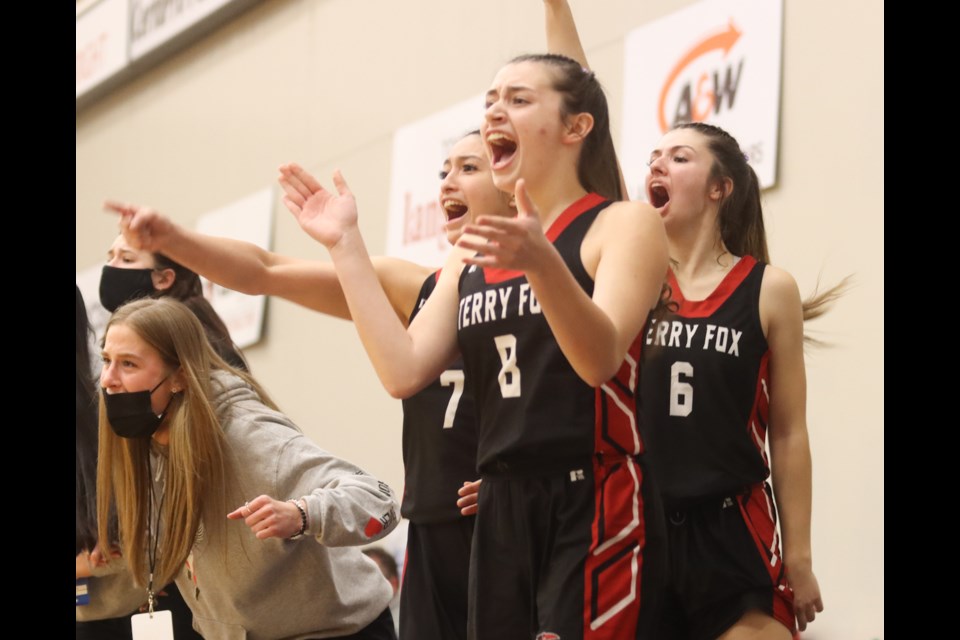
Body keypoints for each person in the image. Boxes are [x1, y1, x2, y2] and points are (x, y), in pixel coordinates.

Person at [279, 52, 668, 640]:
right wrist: (345, 246)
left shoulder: (623, 224)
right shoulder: (470, 254)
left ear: (575, 127)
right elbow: (402, 371)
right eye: (489, 101)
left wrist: (542, 264)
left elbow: (600, 360)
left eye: (517, 99)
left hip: (591, 495)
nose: (494, 113)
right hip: (500, 506)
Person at [110, 130, 517, 640]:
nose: (447, 184)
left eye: (470, 167)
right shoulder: (416, 286)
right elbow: (265, 270)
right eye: (442, 171)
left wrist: (528, 474)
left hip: (513, 518)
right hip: (434, 527)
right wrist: (172, 241)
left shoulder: (550, 282)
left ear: (514, 179)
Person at [96, 297, 400, 639]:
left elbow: (380, 501)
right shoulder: (146, 445)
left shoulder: (249, 434)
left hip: (336, 631)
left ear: (179, 376)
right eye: (106, 360)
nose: (108, 380)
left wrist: (302, 514)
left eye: (129, 365)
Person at [638, 122, 831, 639]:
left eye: (678, 158)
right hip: (640, 528)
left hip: (733, 529)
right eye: (652, 157)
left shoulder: (769, 289)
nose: (657, 165)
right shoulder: (634, 283)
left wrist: (800, 555)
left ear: (720, 188)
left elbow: (789, 433)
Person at [99, 230, 248, 370]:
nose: (110, 266)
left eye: (127, 259)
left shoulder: (193, 343)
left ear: (164, 279)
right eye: (110, 258)